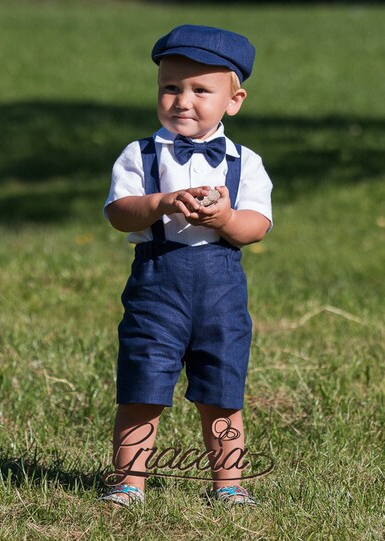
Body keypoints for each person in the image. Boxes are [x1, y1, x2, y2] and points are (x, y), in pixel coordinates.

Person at [101, 24, 273, 508]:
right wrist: (161, 202)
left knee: (222, 388)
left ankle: (229, 485)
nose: (182, 100)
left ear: (233, 100)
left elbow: (257, 226)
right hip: (158, 282)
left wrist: (226, 217)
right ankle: (129, 483)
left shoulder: (246, 162)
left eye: (201, 90)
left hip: (220, 289)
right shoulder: (141, 154)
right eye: (171, 88)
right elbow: (118, 212)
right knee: (143, 383)